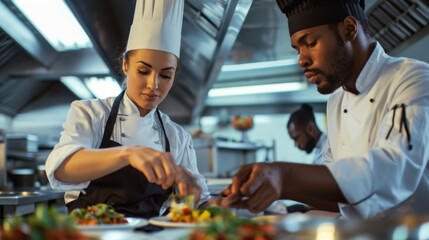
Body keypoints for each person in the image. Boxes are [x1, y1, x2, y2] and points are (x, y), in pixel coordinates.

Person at [221, 0, 429, 219]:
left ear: (349, 29)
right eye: (297, 50)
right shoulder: (337, 101)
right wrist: (271, 188)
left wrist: (284, 175)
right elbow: (338, 195)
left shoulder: (413, 79)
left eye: (310, 43)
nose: (301, 60)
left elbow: (392, 170)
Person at [45, 0, 209, 218]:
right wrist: (129, 153)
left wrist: (193, 196)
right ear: (125, 65)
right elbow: (61, 170)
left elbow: (199, 201)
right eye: (143, 71)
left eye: (166, 75)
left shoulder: (177, 136)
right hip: (91, 232)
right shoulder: (92, 113)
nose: (154, 85)